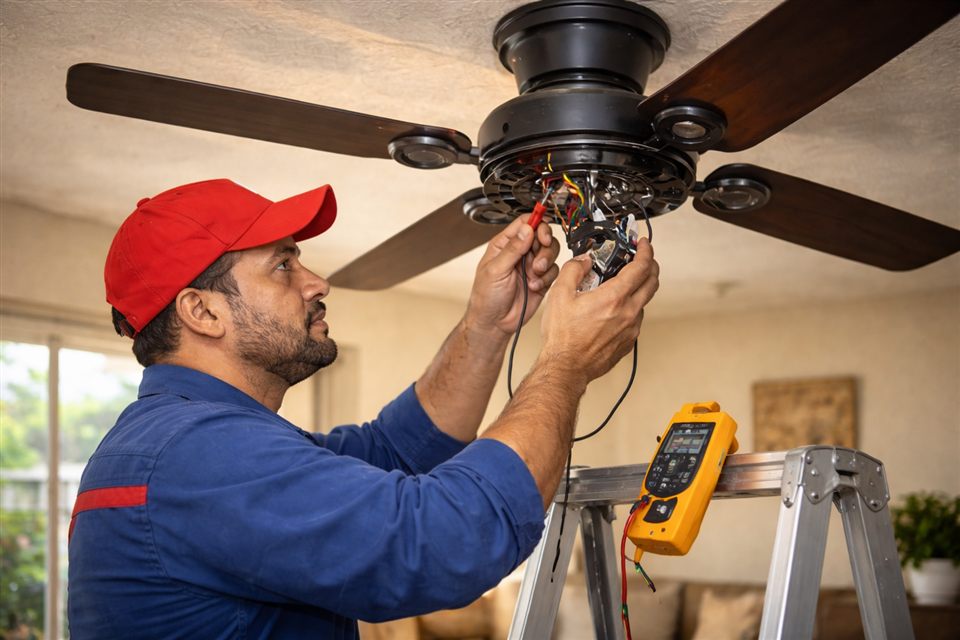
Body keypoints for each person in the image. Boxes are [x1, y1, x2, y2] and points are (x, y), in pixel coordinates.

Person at [67, 178, 659, 639]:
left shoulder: (185, 441)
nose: (317, 281)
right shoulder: (194, 455)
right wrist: (565, 363)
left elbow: (398, 452)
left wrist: (489, 323)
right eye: (283, 265)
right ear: (202, 312)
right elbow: (445, 542)